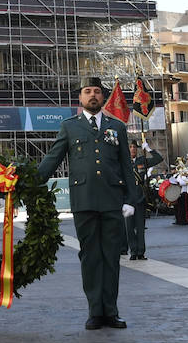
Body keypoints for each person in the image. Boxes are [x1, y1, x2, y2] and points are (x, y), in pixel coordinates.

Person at [37, 77, 137, 329]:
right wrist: (29, 181)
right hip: (84, 202)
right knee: (90, 257)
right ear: (80, 98)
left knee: (111, 257)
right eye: (87, 92)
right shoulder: (70, 127)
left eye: (97, 92)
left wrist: (131, 199)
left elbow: (126, 166)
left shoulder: (118, 126)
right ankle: (95, 311)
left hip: (112, 201)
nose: (92, 95)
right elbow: (52, 159)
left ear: (103, 97)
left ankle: (111, 311)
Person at [127, 140, 163, 259]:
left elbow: (159, 158)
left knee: (140, 226)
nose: (133, 149)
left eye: (134, 147)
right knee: (129, 227)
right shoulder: (123, 162)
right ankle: (133, 251)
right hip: (128, 197)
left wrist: (148, 149)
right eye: (130, 147)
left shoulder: (142, 161)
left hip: (140, 197)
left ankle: (141, 252)